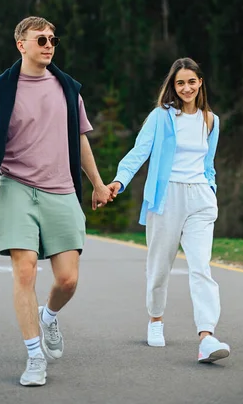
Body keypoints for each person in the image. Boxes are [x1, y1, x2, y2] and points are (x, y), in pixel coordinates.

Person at [0, 16, 112, 387]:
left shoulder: (67, 88)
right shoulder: (0, 91)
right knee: (26, 270)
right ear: (22, 44)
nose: (49, 44)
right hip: (16, 186)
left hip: (62, 189)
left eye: (53, 39)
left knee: (67, 279)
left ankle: (48, 317)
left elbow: (81, 141)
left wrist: (97, 184)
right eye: (41, 39)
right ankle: (34, 357)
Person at [98, 58, 230, 363]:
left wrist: (211, 190)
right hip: (166, 197)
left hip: (200, 199)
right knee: (159, 267)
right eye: (180, 82)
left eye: (192, 82)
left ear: (200, 84)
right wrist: (119, 180)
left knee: (201, 267)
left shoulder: (212, 120)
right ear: (173, 86)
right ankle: (155, 319)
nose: (186, 88)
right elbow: (138, 151)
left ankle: (207, 337)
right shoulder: (160, 117)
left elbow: (208, 163)